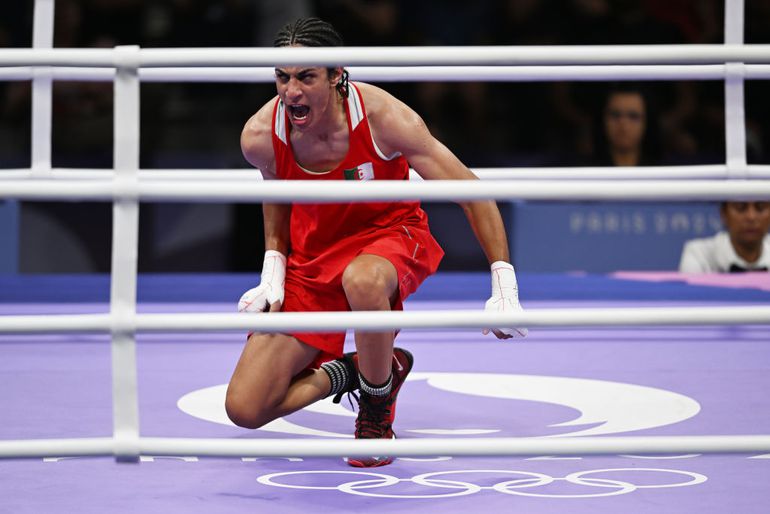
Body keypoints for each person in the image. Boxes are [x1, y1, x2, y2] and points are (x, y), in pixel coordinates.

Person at [224, 17, 527, 468]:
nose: (291, 92)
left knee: (363, 279)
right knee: (245, 408)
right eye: (282, 78)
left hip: (390, 236)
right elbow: (277, 195)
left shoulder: (386, 118)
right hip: (312, 258)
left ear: (335, 74)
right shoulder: (260, 135)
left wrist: (504, 283)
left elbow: (471, 190)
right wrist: (274, 266)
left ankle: (375, 408)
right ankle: (358, 371)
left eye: (306, 77)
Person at [679, 201, 770, 273]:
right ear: (724, 213)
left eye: (760, 207)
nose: (751, 217)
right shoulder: (699, 254)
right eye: (740, 207)